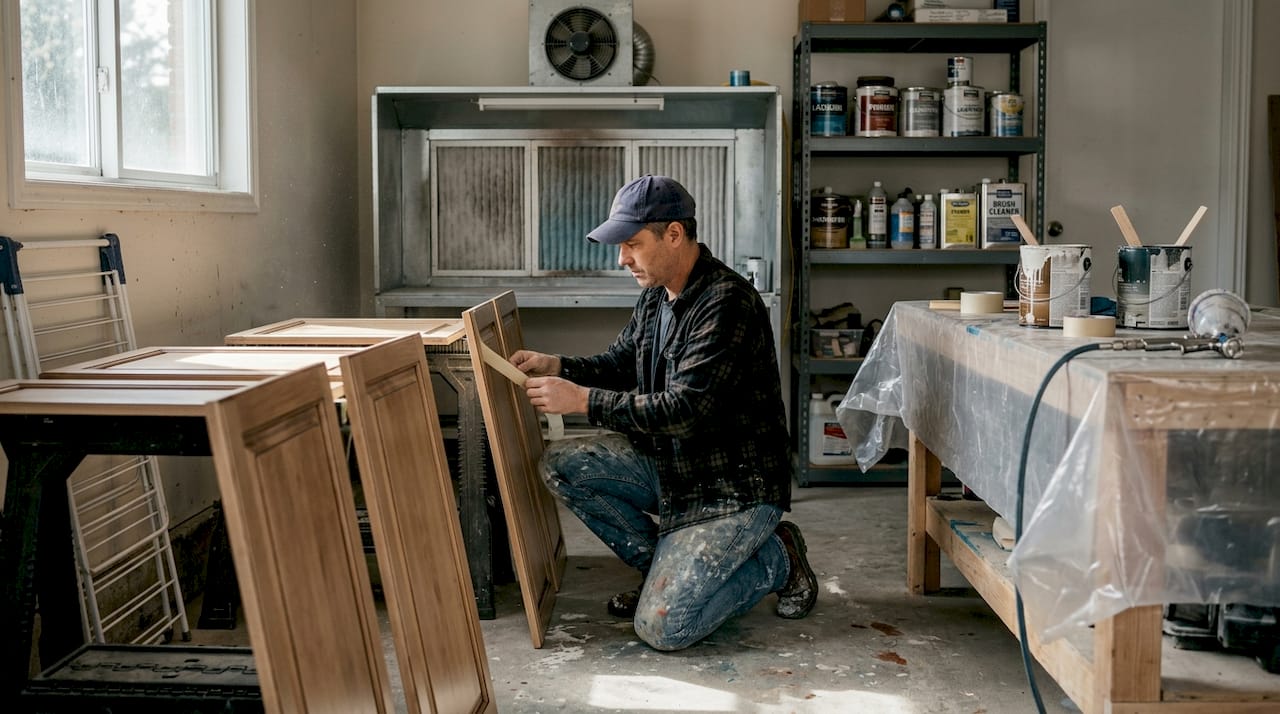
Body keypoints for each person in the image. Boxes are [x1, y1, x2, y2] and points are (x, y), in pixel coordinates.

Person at [510, 174, 817, 652]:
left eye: (633, 244)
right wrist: (559, 365)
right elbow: (621, 363)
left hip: (732, 488)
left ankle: (778, 556)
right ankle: (665, 574)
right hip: (674, 467)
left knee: (664, 628)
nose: (622, 258)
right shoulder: (657, 294)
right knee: (562, 466)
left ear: (674, 234)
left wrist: (583, 401)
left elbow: (684, 410)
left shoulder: (727, 302)